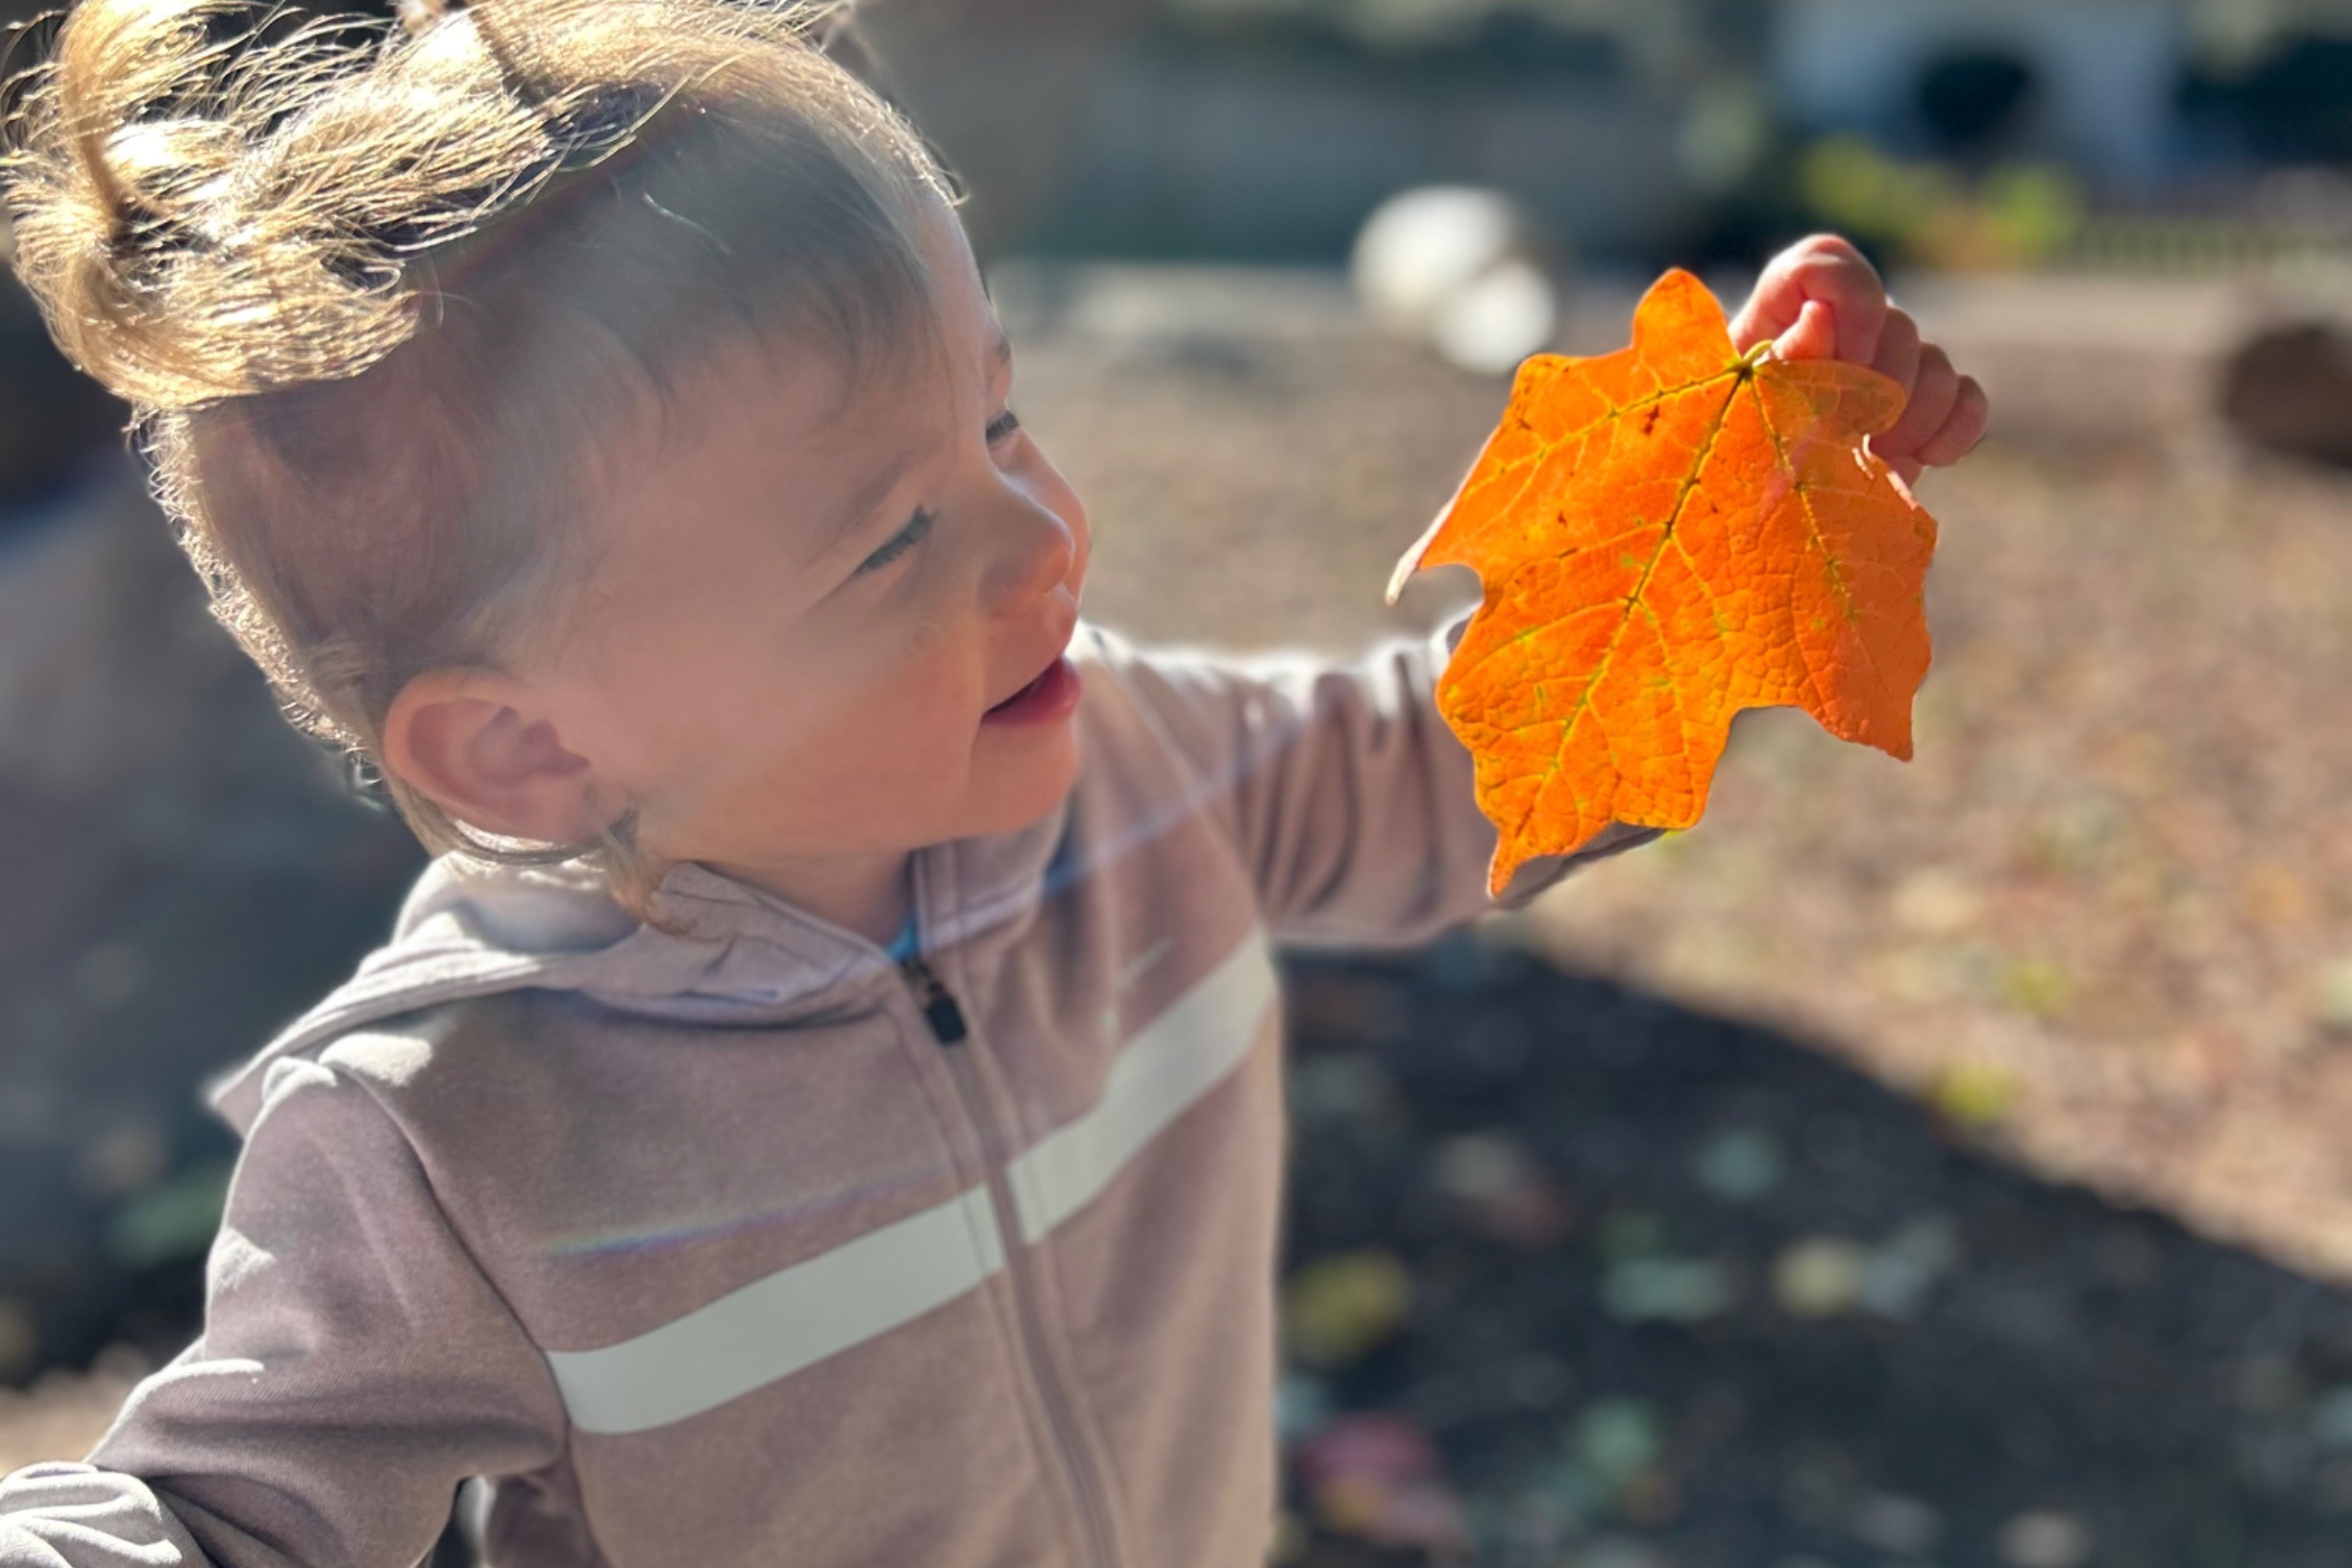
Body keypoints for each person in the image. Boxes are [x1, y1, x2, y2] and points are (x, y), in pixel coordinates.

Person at [0, 0, 1990, 1563]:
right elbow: (226, 1516)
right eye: (890, 539)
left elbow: (1487, 778)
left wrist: (1745, 520)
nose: (1043, 543)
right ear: (527, 741)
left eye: (1005, 418)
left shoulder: (1141, 769)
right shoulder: (462, 1133)